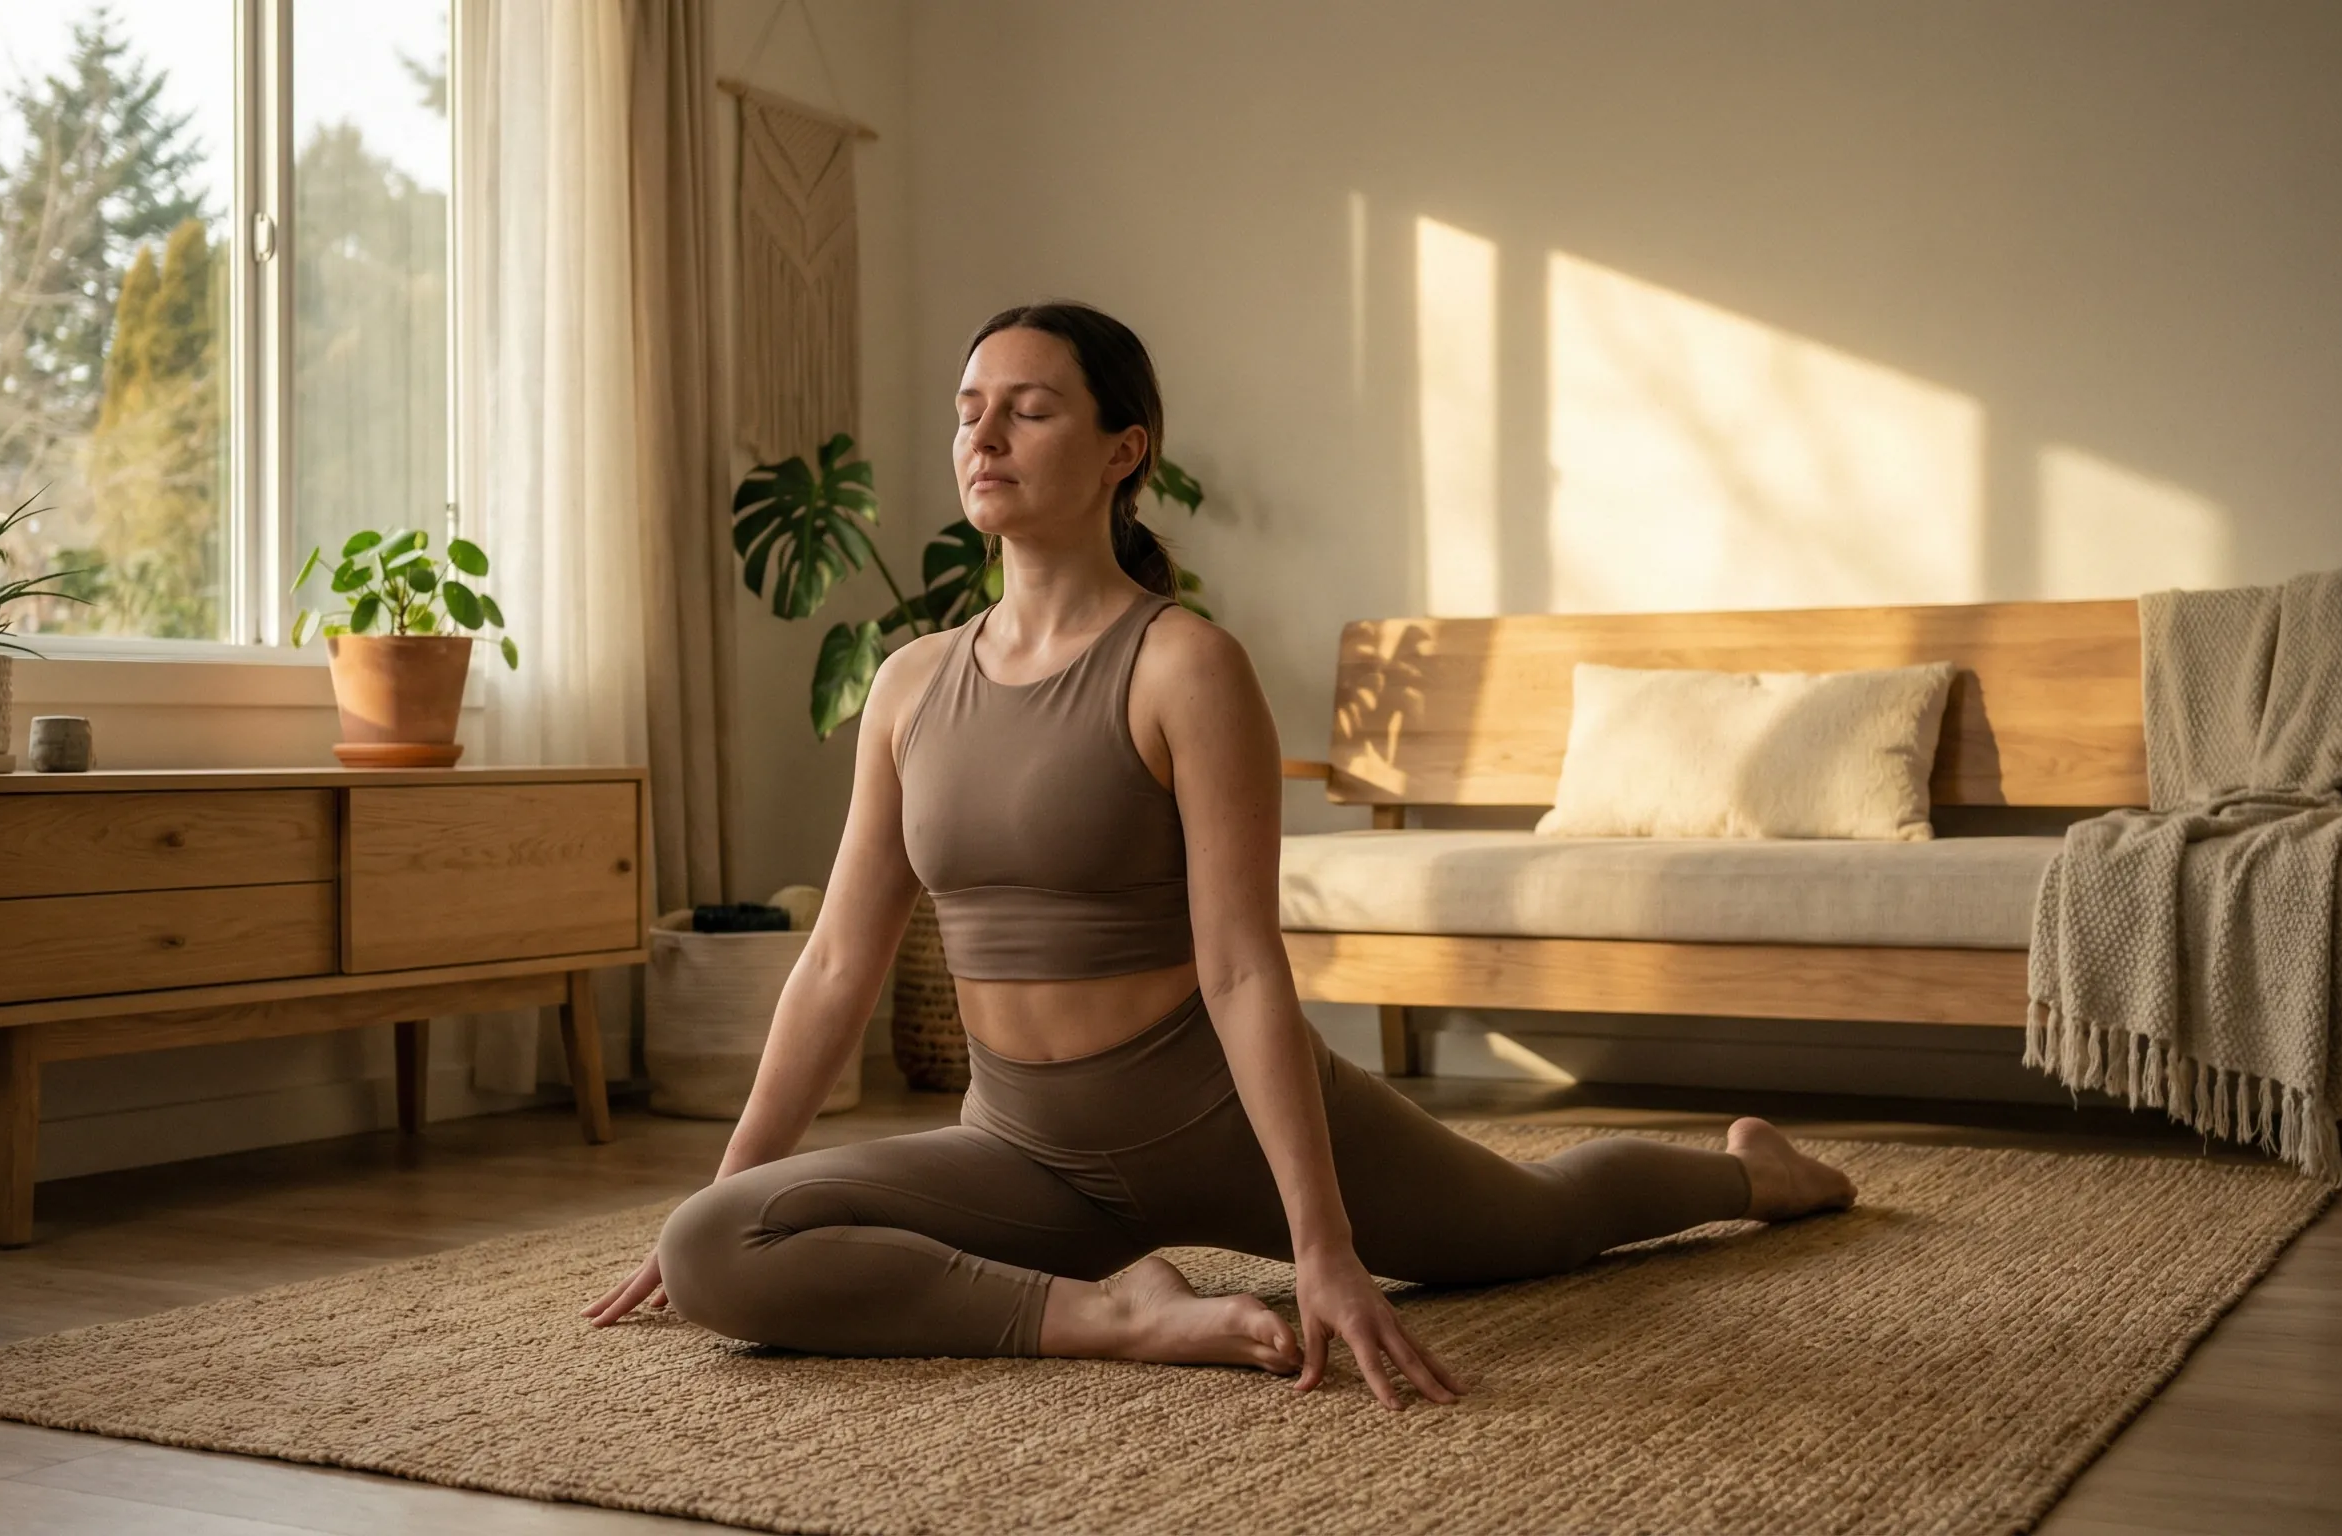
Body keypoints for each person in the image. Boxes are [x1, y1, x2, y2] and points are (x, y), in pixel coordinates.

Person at [583, 301, 1856, 1409]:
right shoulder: (911, 684)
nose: (984, 437)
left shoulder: (1184, 665)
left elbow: (1244, 969)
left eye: (1028, 411)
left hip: (1217, 1123)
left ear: (1121, 450)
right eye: (970, 410)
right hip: (1020, 1150)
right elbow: (837, 963)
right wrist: (727, 1190)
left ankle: (1747, 1174)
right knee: (712, 1253)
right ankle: (1116, 1317)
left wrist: (1320, 1245)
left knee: (1542, 1225)